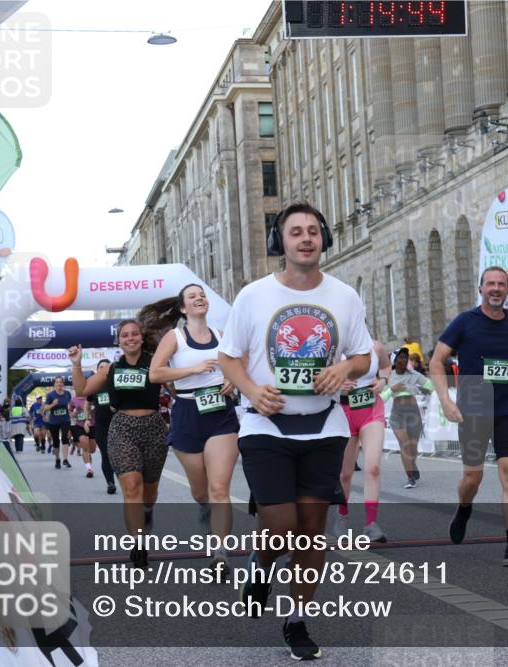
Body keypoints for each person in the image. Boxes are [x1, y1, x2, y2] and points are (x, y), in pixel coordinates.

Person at [218, 202, 372, 660]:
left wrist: (344, 365)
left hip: (325, 426)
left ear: (323, 237)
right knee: (282, 528)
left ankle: (297, 619)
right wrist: (250, 388)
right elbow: (229, 356)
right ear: (279, 243)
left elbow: (363, 357)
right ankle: (260, 567)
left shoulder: (344, 296)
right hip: (264, 425)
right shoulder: (253, 295)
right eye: (294, 232)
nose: (305, 239)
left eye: (312, 231)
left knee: (310, 531)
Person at [430, 266, 508, 568]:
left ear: (506, 289)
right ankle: (464, 507)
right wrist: (445, 399)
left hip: (506, 407)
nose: (496, 288)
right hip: (474, 405)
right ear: (481, 288)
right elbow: (437, 361)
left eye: (501, 284)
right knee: (472, 477)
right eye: (490, 283)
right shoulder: (465, 322)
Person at [148, 283, 240, 572]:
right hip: (187, 413)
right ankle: (204, 508)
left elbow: (238, 369)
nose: (199, 298)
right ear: (183, 308)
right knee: (201, 492)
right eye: (192, 296)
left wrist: (233, 381)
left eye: (202, 295)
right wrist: (193, 369)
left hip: (221, 415)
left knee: (219, 488)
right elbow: (155, 373)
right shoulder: (175, 337)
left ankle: (220, 554)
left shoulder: (222, 337)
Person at [69, 319, 169, 568]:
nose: (131, 338)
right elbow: (81, 390)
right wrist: (77, 364)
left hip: (154, 428)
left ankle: (147, 513)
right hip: (122, 428)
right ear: (119, 340)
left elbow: (178, 389)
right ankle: (138, 544)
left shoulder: (156, 364)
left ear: (141, 338)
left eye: (135, 333)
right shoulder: (110, 369)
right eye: (125, 335)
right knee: (131, 486)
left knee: (150, 493)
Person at [331, 340, 392, 543]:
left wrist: (382, 381)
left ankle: (371, 525)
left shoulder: (375, 347)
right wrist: (336, 385)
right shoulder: (334, 348)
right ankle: (341, 518)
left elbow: (385, 366)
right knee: (345, 474)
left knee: (373, 468)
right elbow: (316, 378)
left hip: (371, 408)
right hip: (342, 411)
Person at [384, 347, 434, 489]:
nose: (404, 360)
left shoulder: (414, 374)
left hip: (413, 413)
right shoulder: (388, 376)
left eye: (406, 357)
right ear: (394, 360)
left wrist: (425, 386)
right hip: (397, 414)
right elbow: (381, 398)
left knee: (413, 448)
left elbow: (431, 386)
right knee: (405, 446)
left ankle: (412, 465)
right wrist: (392, 389)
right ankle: (410, 477)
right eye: (401, 357)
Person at [87, 359, 117, 494]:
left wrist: (118, 406)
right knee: (106, 455)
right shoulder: (94, 386)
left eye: (107, 367)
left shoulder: (117, 383)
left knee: (119, 454)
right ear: (97, 370)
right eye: (101, 367)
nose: (104, 369)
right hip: (101, 426)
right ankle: (110, 483)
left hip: (119, 424)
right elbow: (87, 404)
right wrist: (87, 419)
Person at [41, 378, 72, 469]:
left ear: (63, 384)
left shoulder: (67, 394)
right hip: (54, 421)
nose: (59, 384)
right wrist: (53, 404)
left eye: (61, 382)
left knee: (64, 437)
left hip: (65, 420)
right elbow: (45, 408)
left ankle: (65, 459)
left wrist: (71, 409)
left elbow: (70, 405)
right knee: (56, 441)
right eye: (57, 382)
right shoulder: (51, 395)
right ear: (55, 384)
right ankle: (57, 459)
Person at [69, 392, 95, 477]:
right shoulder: (74, 399)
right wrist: (72, 414)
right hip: (80, 426)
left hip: (92, 425)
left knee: (92, 450)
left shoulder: (91, 395)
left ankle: (88, 454)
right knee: (85, 446)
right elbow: (70, 409)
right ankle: (89, 469)